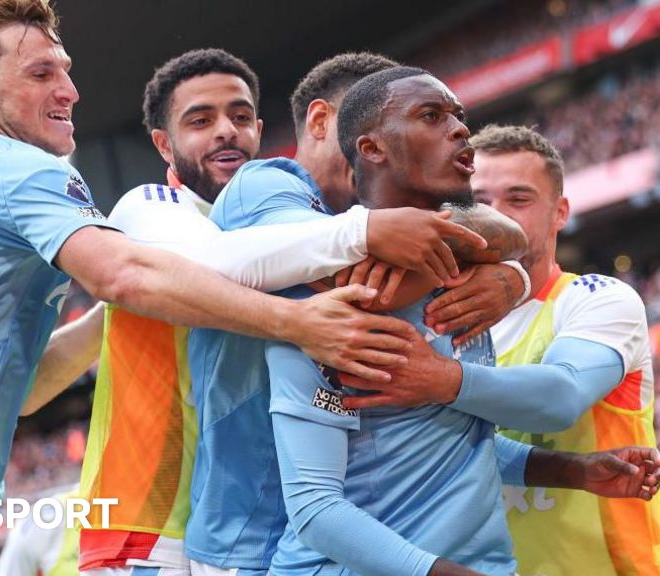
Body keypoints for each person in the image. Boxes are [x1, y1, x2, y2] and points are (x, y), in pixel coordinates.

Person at [0, 2, 447, 573]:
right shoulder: (25, 172)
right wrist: (308, 310)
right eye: (40, 75)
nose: (70, 90)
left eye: (66, 70)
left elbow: (28, 388)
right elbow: (129, 271)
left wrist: (109, 315)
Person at [187, 56, 660, 576]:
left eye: (459, 116)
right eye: (432, 116)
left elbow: (436, 436)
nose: (461, 130)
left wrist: (569, 470)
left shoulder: (466, 283)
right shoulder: (325, 291)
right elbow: (317, 506)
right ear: (368, 147)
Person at [24, 48, 484, 576]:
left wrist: (504, 267)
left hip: (260, 530)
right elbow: (217, 263)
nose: (227, 131)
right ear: (162, 144)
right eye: (200, 120)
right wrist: (366, 234)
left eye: (241, 117)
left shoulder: (294, 222)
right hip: (152, 530)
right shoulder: (150, 208)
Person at [341, 123, 660, 575]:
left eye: (518, 199)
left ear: (560, 212)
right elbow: (455, 445)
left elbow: (561, 398)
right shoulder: (431, 318)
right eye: (477, 203)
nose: (496, 216)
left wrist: (441, 380)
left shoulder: (597, 298)